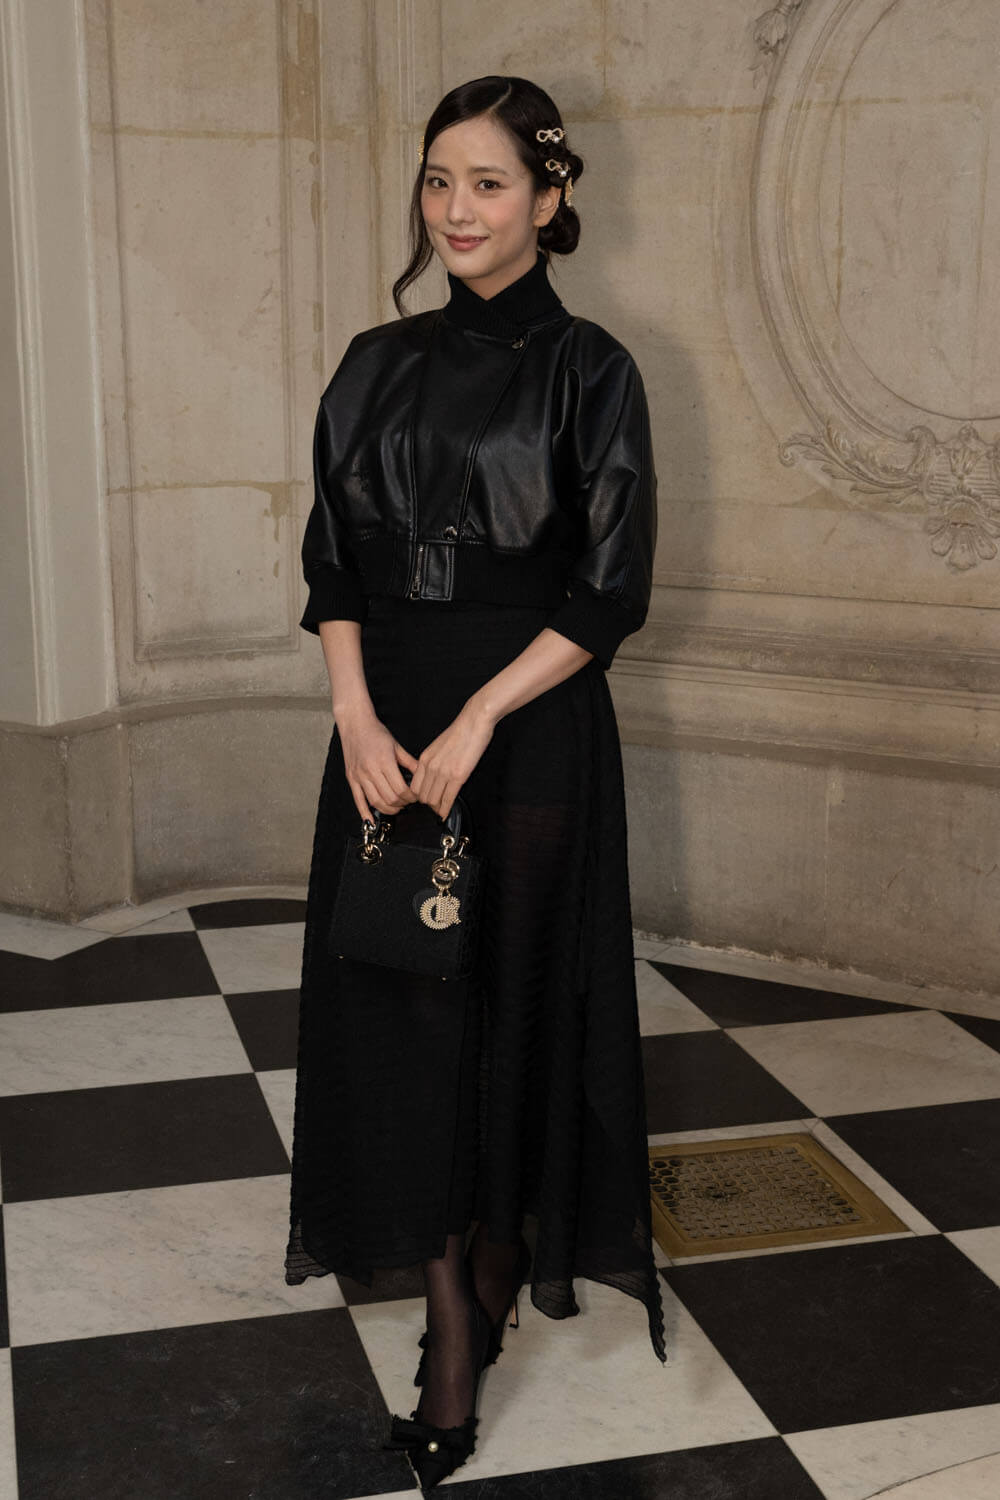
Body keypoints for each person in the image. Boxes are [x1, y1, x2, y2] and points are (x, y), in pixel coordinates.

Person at [284, 73, 666, 1490]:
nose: (456, 208)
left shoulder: (593, 371)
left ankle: (498, 1257)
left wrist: (477, 723)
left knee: (511, 995)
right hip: (385, 719)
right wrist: (354, 713)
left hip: (530, 722)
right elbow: (333, 561)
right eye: (439, 179)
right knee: (401, 1008)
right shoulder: (373, 362)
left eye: (489, 182)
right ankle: (453, 1303)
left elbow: (609, 591)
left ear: (549, 198)